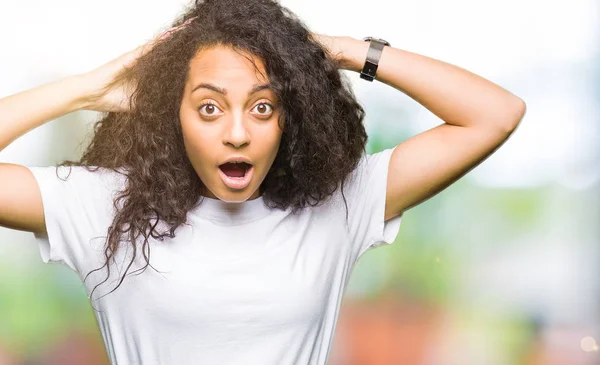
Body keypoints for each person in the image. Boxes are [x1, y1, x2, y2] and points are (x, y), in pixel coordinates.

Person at [0, 0, 526, 363]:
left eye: (262, 106)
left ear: (288, 117)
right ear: (172, 115)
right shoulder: (104, 204)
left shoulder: (339, 204)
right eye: (209, 108)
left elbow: (495, 114)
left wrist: (337, 51)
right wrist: (82, 90)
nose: (236, 133)